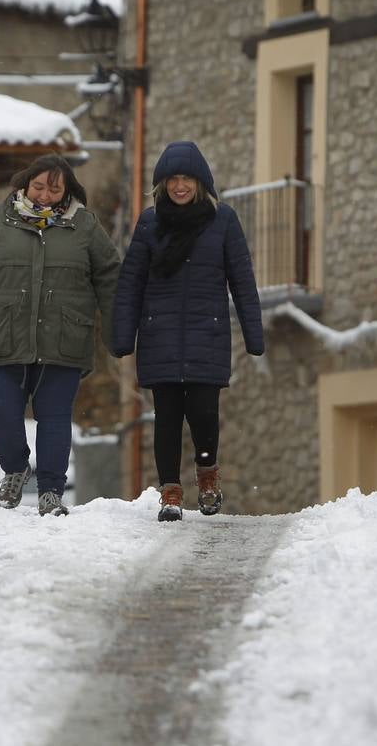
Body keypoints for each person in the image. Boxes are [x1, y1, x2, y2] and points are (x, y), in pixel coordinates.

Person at [0, 154, 121, 516]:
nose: (45, 195)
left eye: (55, 188)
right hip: (4, 335)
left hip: (64, 338)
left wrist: (115, 332)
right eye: (39, 186)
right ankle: (16, 468)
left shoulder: (84, 226)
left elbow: (110, 278)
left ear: (67, 190)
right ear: (24, 184)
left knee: (54, 416)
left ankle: (52, 489)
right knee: (0, 412)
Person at [111, 140, 265, 521]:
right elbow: (131, 282)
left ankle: (208, 479)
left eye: (188, 179)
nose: (180, 186)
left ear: (202, 183)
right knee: (166, 418)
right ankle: (170, 493)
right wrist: (122, 336)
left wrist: (253, 334)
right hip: (159, 335)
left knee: (203, 413)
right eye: (173, 179)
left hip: (206, 335)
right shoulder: (149, 223)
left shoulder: (223, 220)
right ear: (162, 185)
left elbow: (242, 281)